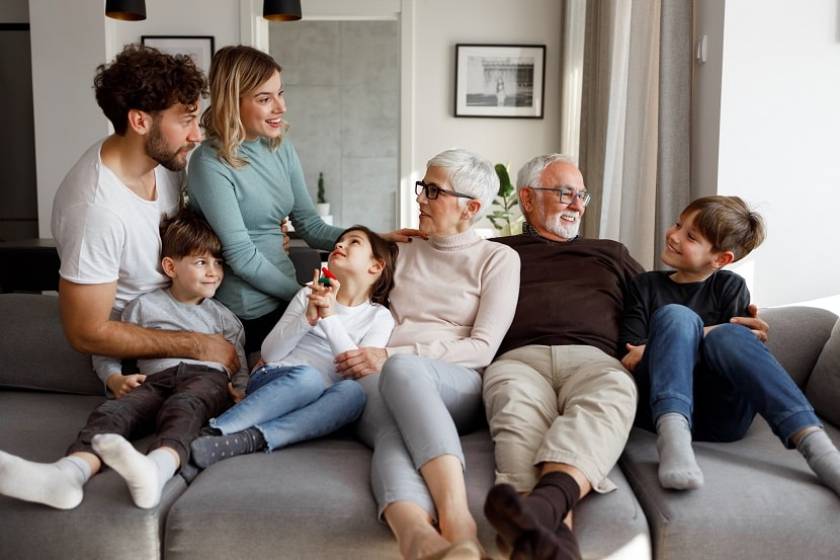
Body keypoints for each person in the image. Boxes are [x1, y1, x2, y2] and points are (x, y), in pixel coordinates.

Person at [480, 155, 770, 559]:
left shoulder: (610, 253)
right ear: (527, 199)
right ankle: (552, 535)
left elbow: (673, 303)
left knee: (613, 394)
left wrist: (732, 331)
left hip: (595, 360)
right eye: (565, 193)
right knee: (516, 413)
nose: (577, 204)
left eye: (582, 195)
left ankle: (536, 517)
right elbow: (426, 270)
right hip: (519, 359)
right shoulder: (492, 251)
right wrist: (397, 242)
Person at [334, 149, 520, 560]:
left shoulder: (498, 259)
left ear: (470, 207)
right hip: (379, 377)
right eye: (423, 187)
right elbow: (341, 266)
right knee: (391, 432)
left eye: (433, 191)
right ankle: (419, 539)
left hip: (451, 381)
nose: (420, 197)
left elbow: (482, 347)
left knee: (402, 369)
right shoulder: (402, 251)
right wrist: (380, 239)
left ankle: (456, 519)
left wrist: (393, 355)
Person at [0, 209, 248, 510]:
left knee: (185, 408)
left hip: (207, 380)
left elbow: (238, 361)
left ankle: (156, 470)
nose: (214, 271)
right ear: (170, 266)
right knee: (114, 413)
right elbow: (107, 348)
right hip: (154, 382)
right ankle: (69, 473)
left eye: (217, 263)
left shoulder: (225, 319)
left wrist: (241, 390)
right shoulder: (142, 308)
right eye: (201, 262)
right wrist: (114, 378)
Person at [619, 195, 840, 496]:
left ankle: (819, 450)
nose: (673, 235)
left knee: (727, 336)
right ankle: (674, 441)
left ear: (720, 259)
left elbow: (729, 346)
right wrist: (682, 333)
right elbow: (632, 355)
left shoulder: (730, 287)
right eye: (678, 224)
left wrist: (664, 343)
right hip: (656, 408)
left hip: (723, 413)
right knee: (677, 317)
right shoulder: (643, 286)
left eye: (690, 236)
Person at [50, 44, 241, 390]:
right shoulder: (96, 210)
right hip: (142, 351)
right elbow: (85, 332)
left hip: (189, 307)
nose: (197, 135)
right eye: (185, 121)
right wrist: (196, 343)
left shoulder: (165, 164)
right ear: (140, 121)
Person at [189, 226, 398, 467]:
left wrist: (328, 317)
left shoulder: (379, 317)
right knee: (308, 379)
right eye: (339, 241)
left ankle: (251, 439)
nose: (339, 245)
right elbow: (269, 353)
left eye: (354, 242)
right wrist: (308, 318)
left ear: (376, 266)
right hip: (276, 377)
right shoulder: (309, 292)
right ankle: (215, 431)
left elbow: (356, 371)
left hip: (320, 399)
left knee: (353, 395)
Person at [187, 45, 346, 355]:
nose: (281, 107)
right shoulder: (210, 163)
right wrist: (304, 295)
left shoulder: (278, 145)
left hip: (288, 300)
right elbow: (242, 256)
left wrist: (373, 239)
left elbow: (310, 225)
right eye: (264, 99)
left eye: (280, 93)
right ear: (232, 102)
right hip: (247, 312)